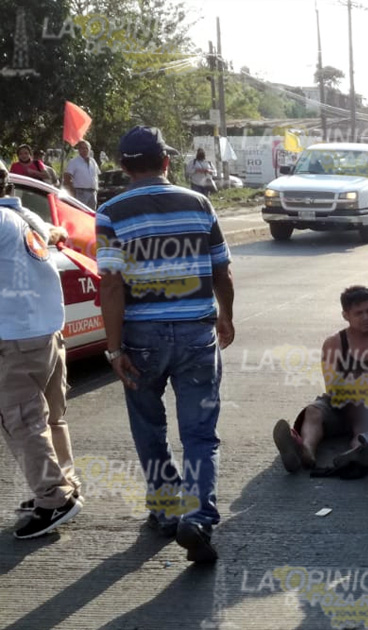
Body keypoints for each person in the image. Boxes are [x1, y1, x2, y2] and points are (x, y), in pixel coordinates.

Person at [97, 126, 234, 563]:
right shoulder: (199, 203)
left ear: (122, 166)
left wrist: (114, 350)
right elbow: (221, 272)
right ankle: (196, 516)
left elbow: (112, 285)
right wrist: (226, 315)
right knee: (199, 435)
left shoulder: (110, 212)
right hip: (196, 333)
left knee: (149, 428)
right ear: (167, 162)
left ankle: (164, 509)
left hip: (141, 339)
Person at [0, 163, 83, 539]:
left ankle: (54, 500)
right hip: (46, 331)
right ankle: (64, 483)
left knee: (23, 422)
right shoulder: (22, 214)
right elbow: (57, 231)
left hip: (14, 339)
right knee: (49, 418)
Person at [272, 286, 368, 473]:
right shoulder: (334, 343)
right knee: (313, 411)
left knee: (363, 425)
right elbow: (332, 387)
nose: (366, 317)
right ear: (346, 315)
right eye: (359, 313)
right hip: (342, 404)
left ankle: (355, 454)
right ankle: (305, 451)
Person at [64, 140, 100, 210]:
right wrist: (72, 190)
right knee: (80, 212)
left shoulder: (93, 161)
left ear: (89, 149)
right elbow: (67, 176)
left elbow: (96, 175)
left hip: (93, 193)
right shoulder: (74, 162)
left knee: (91, 214)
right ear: (79, 150)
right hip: (80, 192)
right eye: (82, 148)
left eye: (86, 148)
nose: (84, 150)